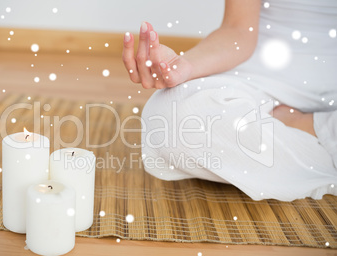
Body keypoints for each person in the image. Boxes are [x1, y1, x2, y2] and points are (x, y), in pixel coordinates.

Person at [122, 0, 337, 201]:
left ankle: (308, 129)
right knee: (170, 118)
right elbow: (238, 29)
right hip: (263, 76)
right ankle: (321, 151)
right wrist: (184, 65)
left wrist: (312, 122)